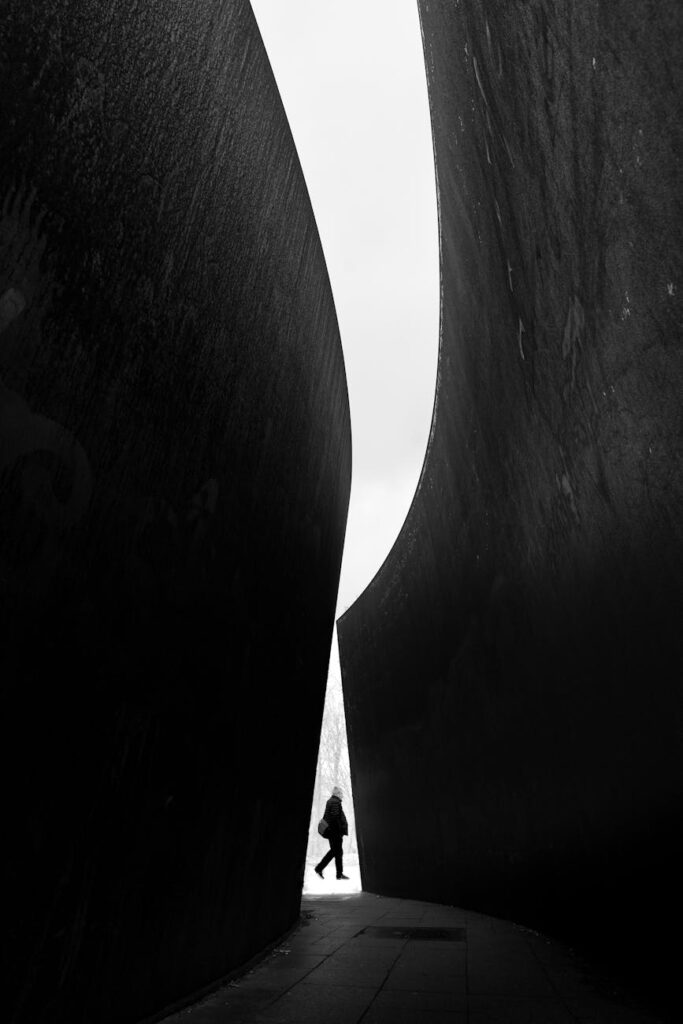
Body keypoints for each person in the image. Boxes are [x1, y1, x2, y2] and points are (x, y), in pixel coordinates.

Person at [315, 786, 349, 880]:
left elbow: (334, 817)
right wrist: (340, 831)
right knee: (335, 851)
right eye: (341, 793)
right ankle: (319, 868)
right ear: (337, 793)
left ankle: (339, 874)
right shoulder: (335, 802)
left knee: (337, 852)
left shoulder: (333, 801)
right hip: (335, 832)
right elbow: (335, 818)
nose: (342, 795)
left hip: (333, 832)